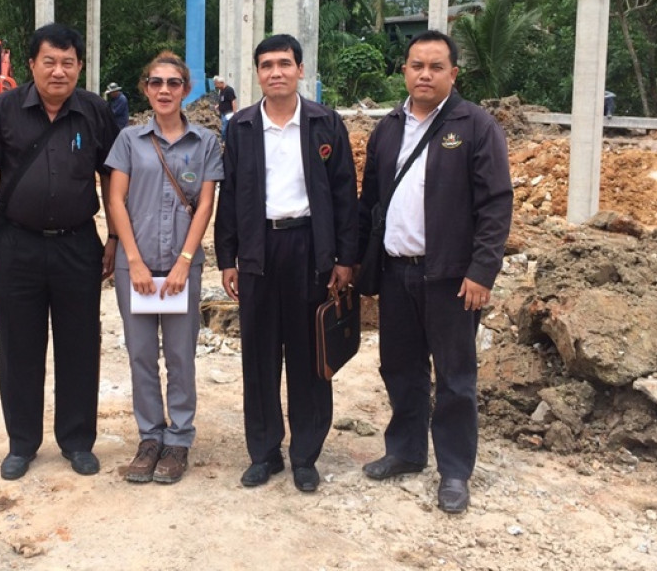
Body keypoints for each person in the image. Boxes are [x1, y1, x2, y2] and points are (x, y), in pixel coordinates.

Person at [357, 30, 513, 514]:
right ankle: (405, 451)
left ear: (453, 73)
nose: (425, 74)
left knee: (454, 377)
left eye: (435, 67)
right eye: (416, 65)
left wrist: (482, 271)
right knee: (400, 368)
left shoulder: (476, 125)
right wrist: (359, 265)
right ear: (404, 70)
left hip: (451, 278)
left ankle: (455, 471)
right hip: (396, 272)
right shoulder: (388, 128)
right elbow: (370, 202)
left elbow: (496, 204)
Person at [0, 23, 120, 481]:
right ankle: (22, 443)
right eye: (49, 61)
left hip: (77, 244)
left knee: (80, 344)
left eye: (68, 63)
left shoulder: (94, 111)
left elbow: (112, 178)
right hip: (16, 245)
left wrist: (114, 236)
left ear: (79, 66)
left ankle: (77, 441)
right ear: (31, 64)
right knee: (19, 345)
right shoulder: (4, 109)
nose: (58, 71)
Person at [214, 33, 358, 493]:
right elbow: (230, 196)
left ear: (300, 69)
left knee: (308, 354)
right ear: (257, 73)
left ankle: (305, 455)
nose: (276, 72)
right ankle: (264, 452)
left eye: (284, 63)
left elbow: (344, 194)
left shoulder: (324, 123)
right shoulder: (240, 126)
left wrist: (345, 259)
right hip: (259, 251)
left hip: (310, 249)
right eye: (267, 65)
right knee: (259, 355)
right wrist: (227, 258)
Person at [105, 52, 224, 485]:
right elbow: (116, 199)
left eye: (173, 83)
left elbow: (205, 204)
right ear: (145, 89)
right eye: (156, 82)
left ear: (186, 90)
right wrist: (133, 261)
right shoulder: (129, 140)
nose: (164, 90)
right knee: (140, 354)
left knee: (180, 355)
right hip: (135, 269)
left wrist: (184, 263)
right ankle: (150, 437)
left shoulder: (205, 142)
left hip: (181, 267)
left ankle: (179, 439)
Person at [213, 75, 237, 143]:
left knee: (225, 129)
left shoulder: (229, 90)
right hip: (223, 113)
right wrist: (218, 106)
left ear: (222, 83)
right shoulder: (221, 91)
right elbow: (223, 101)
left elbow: (233, 101)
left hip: (228, 114)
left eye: (217, 84)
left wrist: (234, 113)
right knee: (224, 128)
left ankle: (225, 142)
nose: (216, 86)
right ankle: (225, 142)